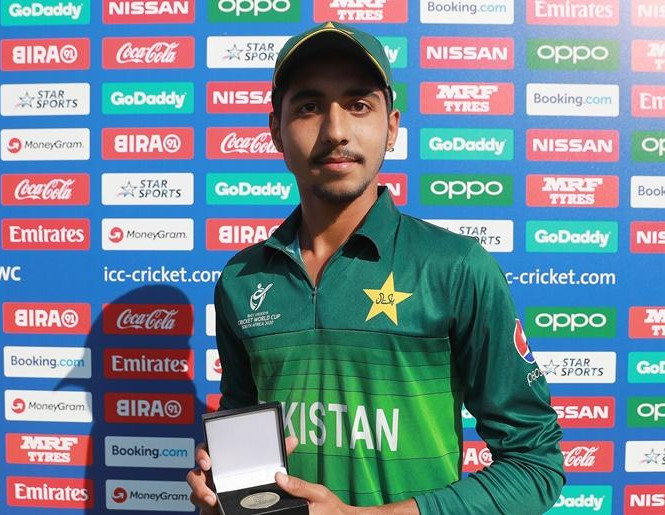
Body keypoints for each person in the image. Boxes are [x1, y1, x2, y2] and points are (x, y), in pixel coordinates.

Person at [188, 21, 565, 514]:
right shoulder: (243, 278)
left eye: (359, 105)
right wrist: (227, 487)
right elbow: (248, 446)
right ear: (276, 130)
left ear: (391, 127)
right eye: (308, 107)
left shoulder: (455, 267)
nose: (336, 130)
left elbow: (535, 466)